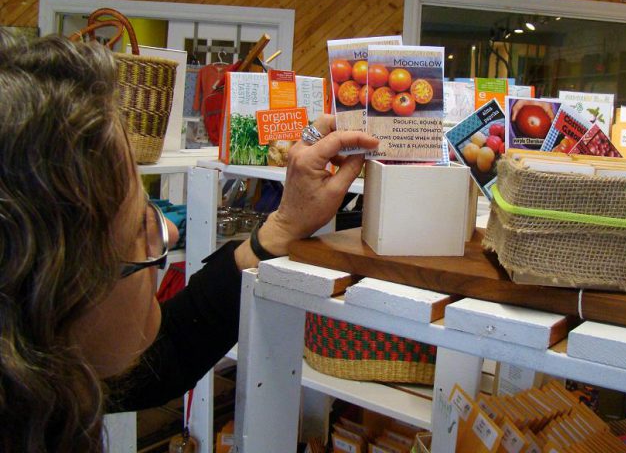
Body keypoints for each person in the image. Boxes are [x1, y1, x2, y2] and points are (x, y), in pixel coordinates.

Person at [0, 30, 378, 452]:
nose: (173, 231)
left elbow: (170, 353)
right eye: (141, 226)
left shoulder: (43, 390)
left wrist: (283, 228)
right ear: (49, 292)